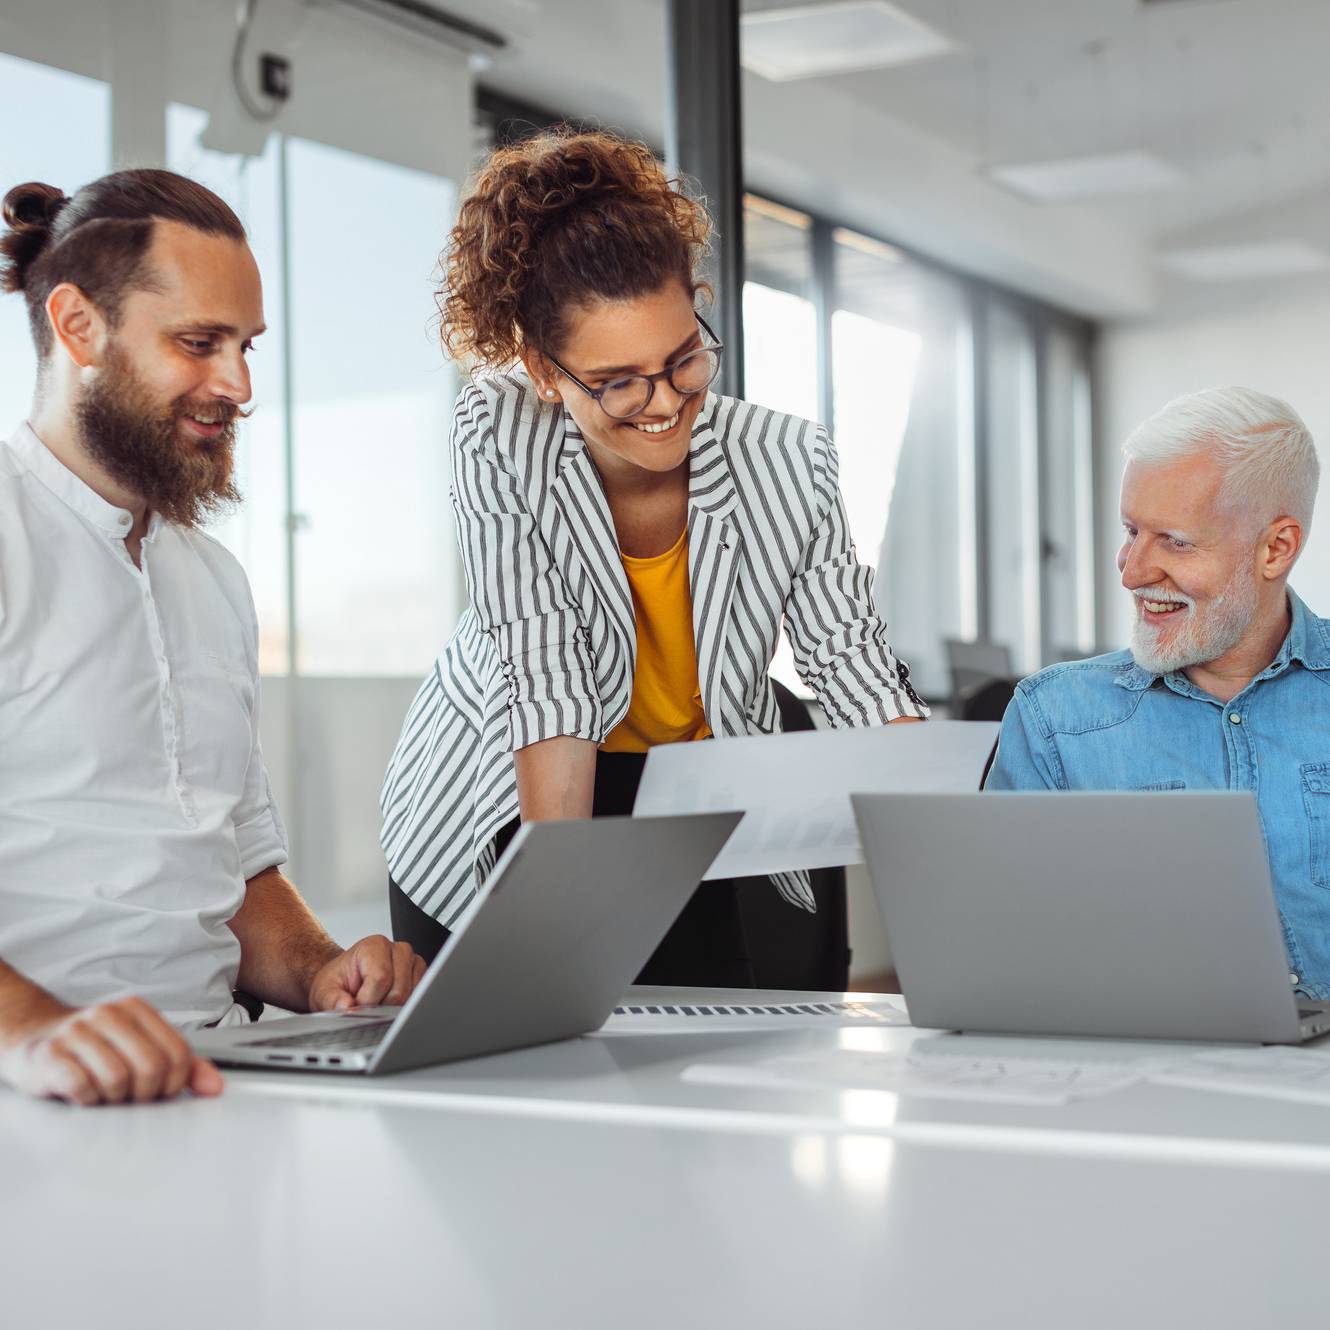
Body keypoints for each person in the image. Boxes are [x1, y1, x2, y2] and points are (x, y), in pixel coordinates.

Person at [380, 128, 926, 986]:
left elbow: (852, 668)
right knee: (534, 1059)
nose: (665, 403)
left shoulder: (788, 458)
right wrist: (557, 931)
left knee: (695, 1064)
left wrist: (955, 858)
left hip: (683, 792)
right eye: (620, 381)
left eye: (683, 360)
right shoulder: (497, 432)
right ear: (543, 370)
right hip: (509, 788)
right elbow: (545, 673)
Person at [0, 170, 426, 1107]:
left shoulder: (212, 578)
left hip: (221, 1077)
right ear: (78, 327)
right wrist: (31, 1033)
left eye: (245, 347)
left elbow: (232, 865)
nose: (235, 384)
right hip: (33, 1094)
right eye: (199, 343)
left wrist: (319, 972)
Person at [988, 386, 1330, 995]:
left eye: (1175, 540)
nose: (1132, 570)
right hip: (1145, 1067)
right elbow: (1002, 952)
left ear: (1276, 548)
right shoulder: (1053, 718)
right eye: (1131, 530)